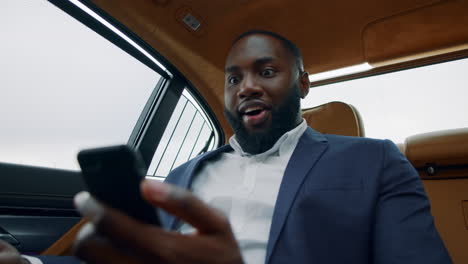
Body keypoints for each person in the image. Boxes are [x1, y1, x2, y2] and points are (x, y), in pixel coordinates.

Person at [0, 30, 452, 264]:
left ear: (304, 83)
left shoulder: (374, 160)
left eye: (267, 71)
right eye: (234, 78)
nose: (247, 87)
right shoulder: (183, 175)